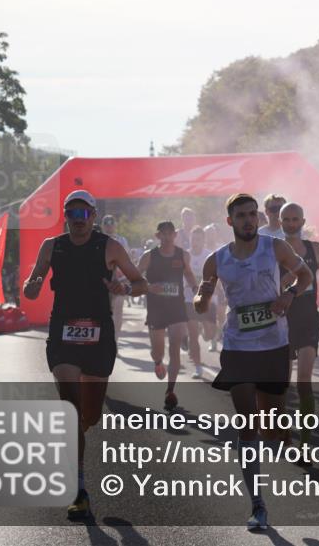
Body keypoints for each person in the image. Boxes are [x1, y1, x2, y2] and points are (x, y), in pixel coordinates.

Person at [23, 189, 148, 520]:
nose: (78, 220)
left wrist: (125, 288)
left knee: (90, 416)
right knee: (71, 406)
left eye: (83, 214)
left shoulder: (110, 246)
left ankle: (75, 434)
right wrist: (31, 286)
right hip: (62, 333)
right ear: (65, 217)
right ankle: (78, 490)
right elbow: (32, 284)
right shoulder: (52, 246)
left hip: (99, 335)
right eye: (72, 214)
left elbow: (141, 283)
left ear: (93, 216)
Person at [194, 193, 312, 531]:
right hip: (238, 345)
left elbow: (305, 277)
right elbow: (202, 297)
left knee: (271, 429)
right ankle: (257, 504)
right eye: (241, 216)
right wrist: (202, 298)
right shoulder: (217, 260)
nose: (248, 220)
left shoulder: (275, 248)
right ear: (229, 221)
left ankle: (282, 437)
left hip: (274, 344)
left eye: (251, 214)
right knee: (247, 424)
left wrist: (288, 295)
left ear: (258, 218)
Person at [279, 202, 319, 463]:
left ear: (302, 221)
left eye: (295, 219)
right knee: (282, 385)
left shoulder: (315, 248)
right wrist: (284, 283)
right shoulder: (275, 250)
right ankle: (286, 438)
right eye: (286, 220)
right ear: (281, 223)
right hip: (283, 322)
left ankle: (305, 445)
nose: (291, 224)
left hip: (309, 319)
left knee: (304, 382)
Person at [137, 221, 198, 410]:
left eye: (170, 233)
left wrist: (196, 288)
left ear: (175, 235)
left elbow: (188, 274)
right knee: (158, 351)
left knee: (175, 346)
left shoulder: (182, 255)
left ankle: (170, 390)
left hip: (176, 307)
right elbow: (136, 277)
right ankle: (157, 361)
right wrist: (149, 287)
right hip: (156, 309)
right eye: (163, 233)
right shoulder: (149, 256)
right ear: (157, 236)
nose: (167, 237)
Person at [186, 225, 218, 375]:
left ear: (203, 240)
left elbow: (217, 277)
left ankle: (205, 329)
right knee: (193, 335)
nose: (195, 242)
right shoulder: (186, 256)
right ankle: (198, 367)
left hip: (208, 299)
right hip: (189, 299)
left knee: (209, 335)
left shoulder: (209, 256)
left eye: (198, 239)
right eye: (193, 239)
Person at [101, 215, 131, 340]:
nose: (109, 227)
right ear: (103, 226)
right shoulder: (97, 239)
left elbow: (127, 260)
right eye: (106, 224)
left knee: (118, 309)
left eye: (111, 224)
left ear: (115, 225)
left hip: (118, 279)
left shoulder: (122, 240)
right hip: (102, 280)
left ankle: (115, 339)